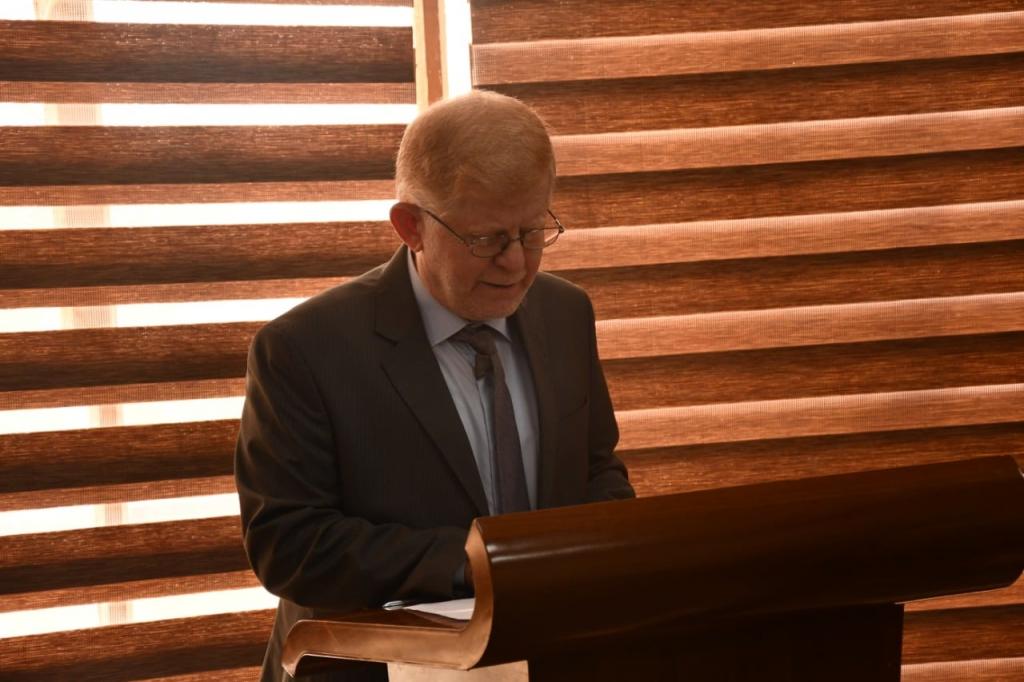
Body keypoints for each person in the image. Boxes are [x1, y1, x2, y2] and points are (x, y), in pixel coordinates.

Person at [234, 90, 635, 682]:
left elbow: (597, 471)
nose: (516, 263)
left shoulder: (567, 313)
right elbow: (289, 545)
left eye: (533, 231)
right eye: (487, 239)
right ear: (411, 227)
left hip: (548, 658)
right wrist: (483, 564)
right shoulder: (302, 348)